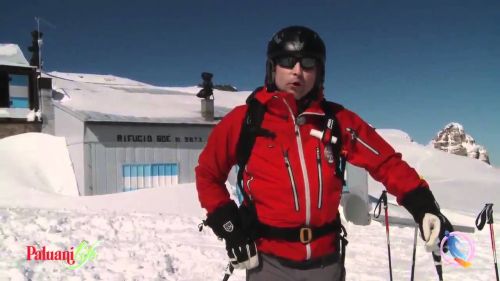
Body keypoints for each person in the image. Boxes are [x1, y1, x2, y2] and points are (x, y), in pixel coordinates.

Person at [195, 26, 453, 281]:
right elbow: (208, 174)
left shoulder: (338, 120)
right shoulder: (245, 121)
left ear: (319, 72)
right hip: (267, 263)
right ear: (272, 68)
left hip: (326, 263)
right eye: (287, 61)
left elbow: (385, 162)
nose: (297, 71)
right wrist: (230, 228)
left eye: (308, 63)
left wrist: (423, 206)